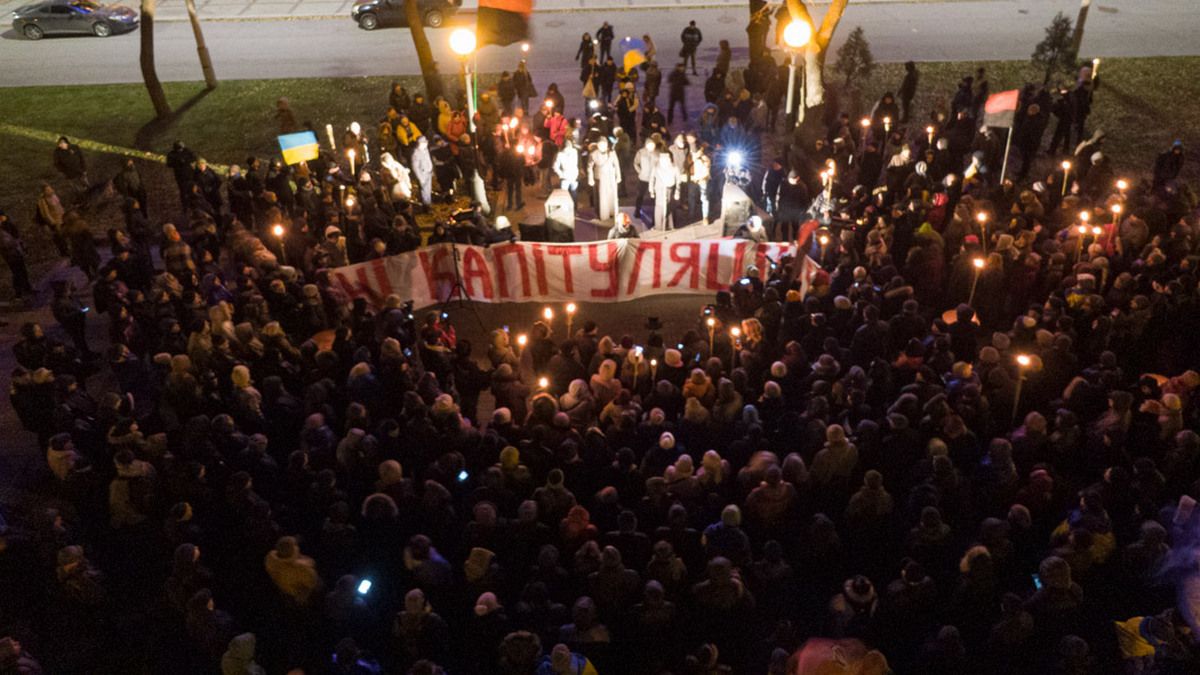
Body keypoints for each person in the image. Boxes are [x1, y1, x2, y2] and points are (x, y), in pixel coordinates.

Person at [0, 209, 33, 300]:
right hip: (9, 253)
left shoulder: (8, 224)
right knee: (17, 272)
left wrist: (21, 245)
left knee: (22, 270)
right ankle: (19, 292)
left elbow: (16, 235)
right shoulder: (4, 226)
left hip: (15, 250)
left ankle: (26, 289)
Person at [588, 137, 621, 222]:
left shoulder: (612, 153)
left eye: (604, 145)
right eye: (600, 145)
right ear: (597, 145)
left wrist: (618, 175)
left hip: (610, 177)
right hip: (599, 177)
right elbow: (589, 167)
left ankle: (612, 212)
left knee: (611, 195)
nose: (602, 146)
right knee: (600, 197)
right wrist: (590, 178)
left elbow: (616, 164)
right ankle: (601, 214)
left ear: (607, 145)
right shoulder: (593, 154)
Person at [649, 152, 679, 231]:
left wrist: (677, 191)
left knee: (669, 206)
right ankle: (658, 226)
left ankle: (670, 225)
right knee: (659, 207)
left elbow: (678, 180)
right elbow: (652, 179)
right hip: (659, 189)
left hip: (669, 189)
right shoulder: (656, 168)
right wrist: (651, 190)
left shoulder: (674, 168)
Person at [554, 139, 580, 203]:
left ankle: (572, 209)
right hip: (567, 177)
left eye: (569, 144)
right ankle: (569, 209)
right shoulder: (561, 154)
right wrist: (561, 174)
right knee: (567, 194)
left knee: (571, 193)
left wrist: (561, 174)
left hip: (571, 176)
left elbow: (555, 167)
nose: (569, 146)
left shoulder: (574, 152)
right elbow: (555, 166)